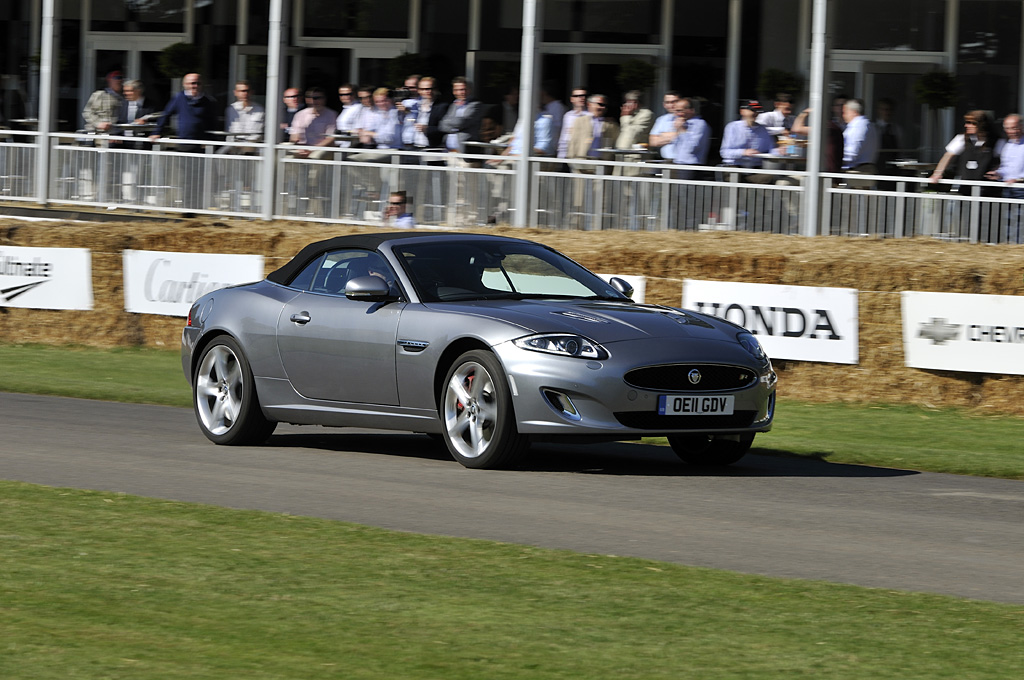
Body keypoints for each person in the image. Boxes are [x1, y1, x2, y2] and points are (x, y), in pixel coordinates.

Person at [930, 110, 997, 186]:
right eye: (967, 122)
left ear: (982, 124)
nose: (966, 125)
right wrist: (937, 173)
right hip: (965, 184)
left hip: (987, 187)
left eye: (972, 123)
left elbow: (1002, 161)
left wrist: (996, 171)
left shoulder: (996, 141)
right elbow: (947, 156)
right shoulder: (961, 139)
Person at [150, 73, 217, 142]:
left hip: (201, 141)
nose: (195, 86)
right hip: (184, 140)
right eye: (193, 83)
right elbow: (166, 114)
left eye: (198, 83)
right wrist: (157, 132)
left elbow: (212, 121)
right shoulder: (179, 98)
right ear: (185, 84)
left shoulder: (208, 101)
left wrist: (210, 139)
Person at [988, 113, 1024, 242]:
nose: (1011, 131)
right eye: (1008, 128)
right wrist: (998, 173)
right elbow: (1005, 167)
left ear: (1022, 126)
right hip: (1008, 188)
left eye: (1014, 128)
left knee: (1021, 221)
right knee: (1008, 219)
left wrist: (1019, 179)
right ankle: (1010, 246)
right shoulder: (1006, 145)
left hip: (1021, 188)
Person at [719, 99, 774, 182]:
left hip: (754, 168)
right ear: (742, 111)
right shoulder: (733, 127)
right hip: (734, 166)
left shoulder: (763, 129)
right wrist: (743, 152)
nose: (755, 113)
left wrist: (779, 151)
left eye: (757, 111)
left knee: (769, 177)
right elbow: (724, 152)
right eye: (752, 110)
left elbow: (770, 149)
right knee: (735, 179)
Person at [566, 94, 620, 167]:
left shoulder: (611, 125)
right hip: (582, 164)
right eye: (600, 104)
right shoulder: (579, 121)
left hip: (602, 166)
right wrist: (571, 161)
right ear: (589, 104)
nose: (603, 107)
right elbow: (573, 143)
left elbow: (615, 146)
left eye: (605, 105)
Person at [400, 76, 448, 153]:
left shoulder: (442, 107)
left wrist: (427, 129)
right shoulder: (414, 106)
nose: (427, 91)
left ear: (436, 90)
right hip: (413, 147)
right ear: (419, 91)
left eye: (430, 88)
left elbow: (445, 129)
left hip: (432, 149)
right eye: (423, 89)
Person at [439, 76, 484, 154]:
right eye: (457, 90)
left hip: (465, 152)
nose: (460, 92)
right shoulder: (453, 105)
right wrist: (456, 128)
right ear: (453, 91)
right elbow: (441, 125)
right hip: (448, 151)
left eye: (463, 89)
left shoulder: (475, 105)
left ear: (469, 90)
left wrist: (450, 123)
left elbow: (461, 122)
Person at [613, 90, 654, 175]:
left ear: (636, 102)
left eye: (629, 102)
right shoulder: (631, 113)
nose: (626, 105)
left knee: (632, 186)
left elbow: (631, 134)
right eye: (626, 102)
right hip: (622, 156)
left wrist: (626, 116)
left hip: (635, 158)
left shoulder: (646, 114)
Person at [289, 86, 337, 158]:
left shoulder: (331, 114)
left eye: (318, 98)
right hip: (302, 148)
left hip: (322, 149)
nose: (314, 101)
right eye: (310, 98)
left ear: (324, 99)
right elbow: (293, 136)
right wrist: (299, 147)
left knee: (315, 156)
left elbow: (330, 138)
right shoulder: (300, 114)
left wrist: (312, 149)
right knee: (287, 156)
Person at [669, 97, 711, 178]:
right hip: (678, 163)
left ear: (691, 110)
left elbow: (692, 147)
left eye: (680, 111)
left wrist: (682, 130)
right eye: (676, 111)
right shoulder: (683, 123)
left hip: (690, 166)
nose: (677, 114)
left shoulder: (700, 124)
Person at [841, 98, 879, 186]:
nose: (844, 115)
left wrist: (836, 160)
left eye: (845, 112)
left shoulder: (858, 127)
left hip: (857, 171)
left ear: (853, 112)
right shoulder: (869, 125)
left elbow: (851, 154)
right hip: (865, 169)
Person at [224, 80, 265, 149]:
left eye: (247, 91)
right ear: (235, 93)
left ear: (251, 92)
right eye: (241, 91)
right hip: (234, 148)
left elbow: (260, 132)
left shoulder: (260, 110)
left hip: (253, 148)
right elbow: (229, 131)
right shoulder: (231, 109)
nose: (245, 94)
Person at [648, 90, 682, 160]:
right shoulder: (661, 120)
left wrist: (662, 135)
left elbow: (686, 137)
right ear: (664, 105)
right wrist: (676, 135)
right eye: (668, 102)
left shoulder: (687, 118)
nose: (671, 105)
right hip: (666, 160)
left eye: (674, 101)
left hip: (682, 161)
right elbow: (653, 142)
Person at [556, 86, 588, 159]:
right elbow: (564, 136)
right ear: (572, 99)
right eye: (577, 96)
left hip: (583, 155)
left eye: (583, 95)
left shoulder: (591, 116)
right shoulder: (568, 115)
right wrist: (560, 156)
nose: (581, 98)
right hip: (567, 155)